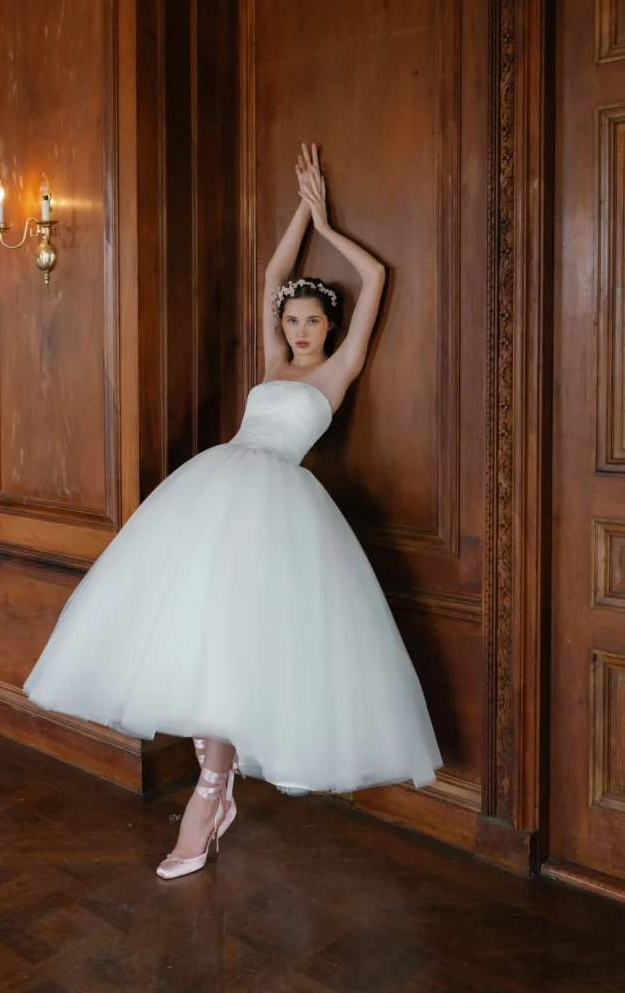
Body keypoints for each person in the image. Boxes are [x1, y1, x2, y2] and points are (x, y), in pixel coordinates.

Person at [24, 144, 442, 881]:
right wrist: (296, 214)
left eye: (313, 320)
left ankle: (210, 794)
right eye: (292, 321)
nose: (299, 328)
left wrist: (326, 221)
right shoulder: (273, 364)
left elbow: (374, 276)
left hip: (278, 505)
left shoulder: (338, 371)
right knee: (197, 632)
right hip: (215, 489)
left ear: (331, 328)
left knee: (235, 641)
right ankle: (213, 779)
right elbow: (272, 278)